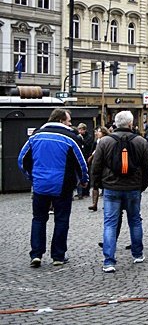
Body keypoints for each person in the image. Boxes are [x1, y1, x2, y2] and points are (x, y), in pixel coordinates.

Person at [18, 108, 89, 267]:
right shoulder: (71, 138)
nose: (71, 125)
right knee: (61, 219)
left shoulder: (35, 136)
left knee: (38, 219)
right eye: (69, 121)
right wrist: (84, 180)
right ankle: (58, 256)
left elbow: (22, 160)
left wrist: (32, 177)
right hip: (63, 185)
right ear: (61, 120)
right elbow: (81, 163)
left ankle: (36, 254)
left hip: (40, 185)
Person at [91, 110, 148, 273]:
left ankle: (109, 261)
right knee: (135, 220)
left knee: (110, 223)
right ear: (131, 124)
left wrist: (97, 185)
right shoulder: (141, 141)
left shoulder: (104, 142)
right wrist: (142, 187)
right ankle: (138, 254)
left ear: (115, 124)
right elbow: (147, 168)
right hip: (133, 188)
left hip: (111, 187)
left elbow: (96, 166)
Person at [87, 126, 111, 211]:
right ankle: (94, 204)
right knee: (95, 185)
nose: (97, 133)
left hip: (104, 165)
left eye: (99, 132)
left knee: (106, 185)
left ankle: (107, 203)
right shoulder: (96, 142)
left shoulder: (107, 141)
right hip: (96, 165)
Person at [76, 122, 94, 199]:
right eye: (79, 129)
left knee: (87, 173)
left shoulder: (89, 137)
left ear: (84, 130)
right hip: (81, 157)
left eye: (81, 130)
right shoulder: (78, 137)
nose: (80, 131)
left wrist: (82, 140)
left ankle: (86, 191)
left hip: (87, 157)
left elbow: (87, 145)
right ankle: (80, 191)